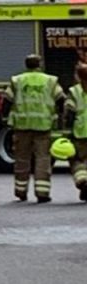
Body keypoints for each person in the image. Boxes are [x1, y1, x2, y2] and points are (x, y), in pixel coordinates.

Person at [1, 54, 66, 203]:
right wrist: (60, 116)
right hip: (43, 126)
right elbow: (61, 99)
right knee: (43, 158)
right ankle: (42, 193)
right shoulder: (50, 81)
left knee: (22, 159)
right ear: (40, 64)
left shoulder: (17, 80)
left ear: (26, 65)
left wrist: (5, 118)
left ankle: (20, 191)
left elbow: (6, 101)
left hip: (22, 126)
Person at [63, 62, 87, 201]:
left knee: (77, 160)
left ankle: (82, 181)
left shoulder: (75, 91)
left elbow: (69, 113)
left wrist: (67, 131)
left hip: (80, 132)